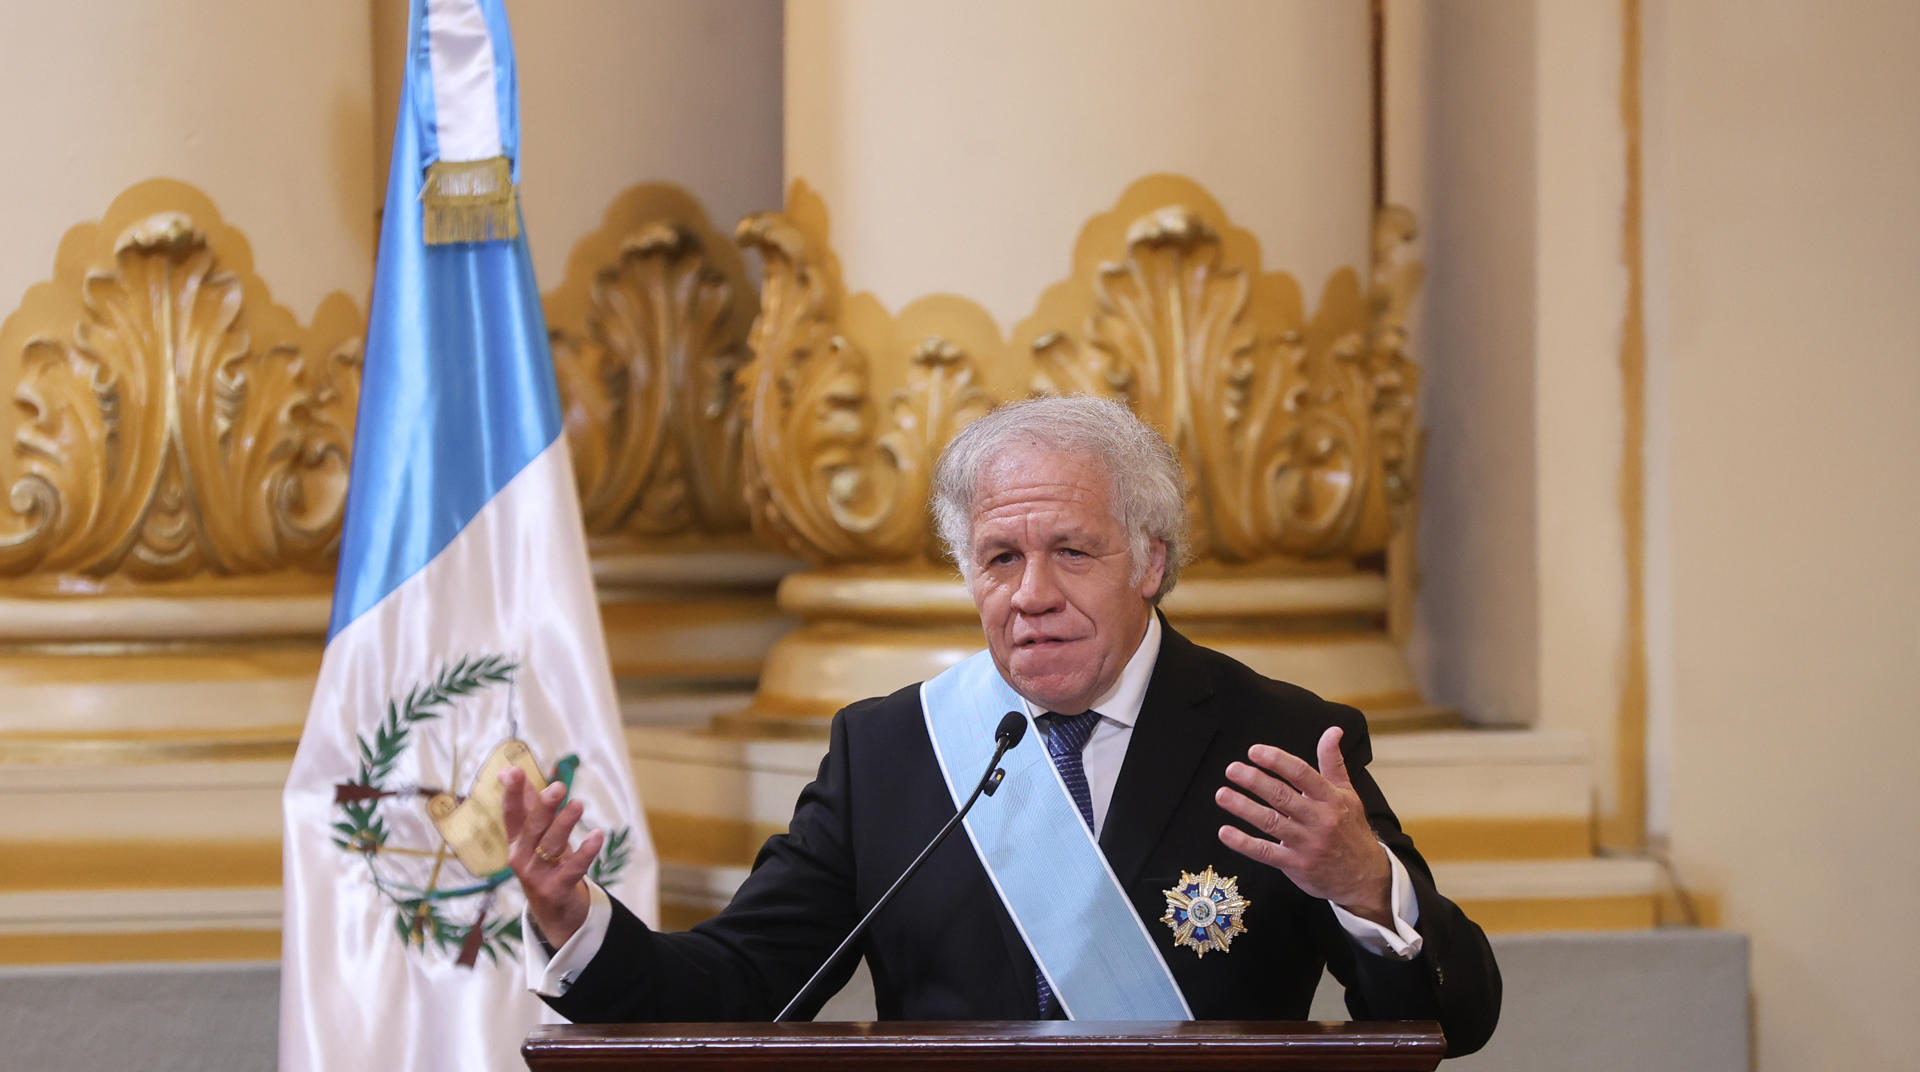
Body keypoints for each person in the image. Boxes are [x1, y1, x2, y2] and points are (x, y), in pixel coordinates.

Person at [502, 395, 1500, 1055]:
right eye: (998, 557)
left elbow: (1459, 1016)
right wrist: (574, 917)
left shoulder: (1281, 740)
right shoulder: (890, 750)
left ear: (1148, 562)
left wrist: (1369, 888)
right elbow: (738, 988)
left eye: (1071, 550)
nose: (1031, 594)